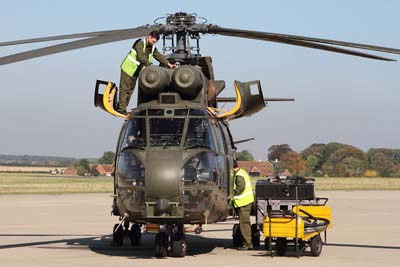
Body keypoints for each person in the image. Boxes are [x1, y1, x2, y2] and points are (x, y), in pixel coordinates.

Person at [117, 31, 176, 115]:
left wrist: (169, 64)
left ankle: (123, 108)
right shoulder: (139, 44)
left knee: (130, 90)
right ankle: (121, 109)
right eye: (153, 41)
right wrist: (150, 66)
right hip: (128, 69)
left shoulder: (152, 47)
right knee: (125, 89)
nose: (153, 43)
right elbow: (141, 57)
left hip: (135, 71)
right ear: (149, 37)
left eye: (155, 42)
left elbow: (159, 56)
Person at [233, 160, 255, 250]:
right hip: (246, 202)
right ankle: (248, 242)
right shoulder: (242, 172)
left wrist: (231, 193)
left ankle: (247, 244)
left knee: (244, 224)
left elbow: (240, 188)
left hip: (244, 203)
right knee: (245, 223)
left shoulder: (239, 175)